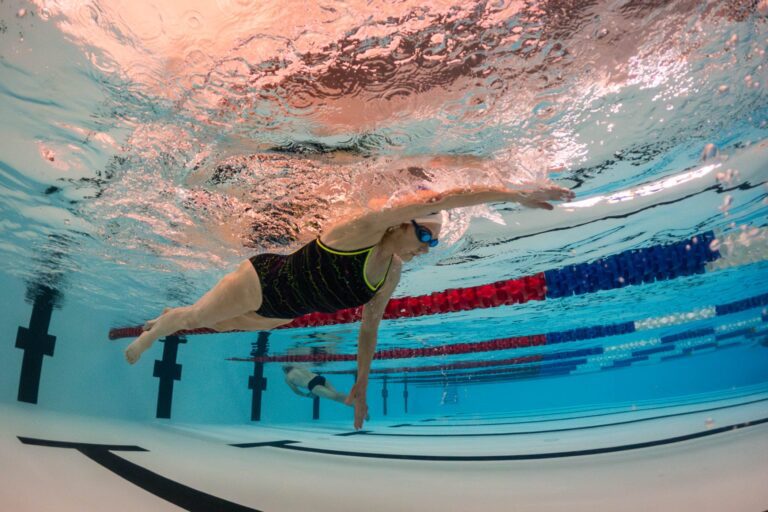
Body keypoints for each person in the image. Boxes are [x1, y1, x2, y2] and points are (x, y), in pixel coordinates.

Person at [124, 173, 574, 429]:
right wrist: (513, 194)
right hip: (264, 281)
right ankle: (153, 334)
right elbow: (447, 196)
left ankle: (168, 319)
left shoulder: (390, 275)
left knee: (216, 326)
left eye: (432, 244)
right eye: (423, 235)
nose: (425, 248)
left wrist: (360, 383)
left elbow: (369, 330)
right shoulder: (359, 230)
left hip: (282, 314)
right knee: (200, 316)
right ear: (402, 223)